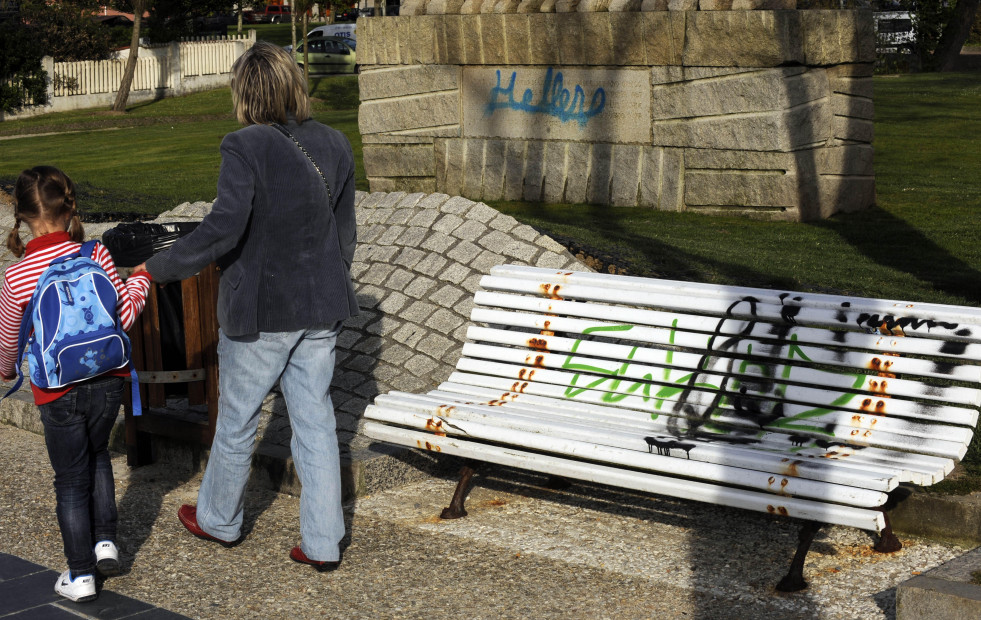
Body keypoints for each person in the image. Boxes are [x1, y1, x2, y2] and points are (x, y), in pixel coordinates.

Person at [136, 41, 358, 571]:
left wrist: (154, 268)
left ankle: (218, 520)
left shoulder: (243, 145)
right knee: (317, 424)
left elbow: (222, 229)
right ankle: (324, 543)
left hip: (261, 312)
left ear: (245, 90)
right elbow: (345, 236)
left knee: (237, 420)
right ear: (292, 84)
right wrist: (327, 280)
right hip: (322, 306)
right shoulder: (334, 142)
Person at [0, 166, 152, 602]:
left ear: (25, 216)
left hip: (58, 391)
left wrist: (7, 371)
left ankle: (80, 573)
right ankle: (105, 542)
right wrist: (141, 279)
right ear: (68, 209)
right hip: (108, 380)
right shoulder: (96, 254)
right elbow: (122, 316)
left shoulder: (16, 277)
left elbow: (8, 339)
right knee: (99, 453)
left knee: (69, 479)